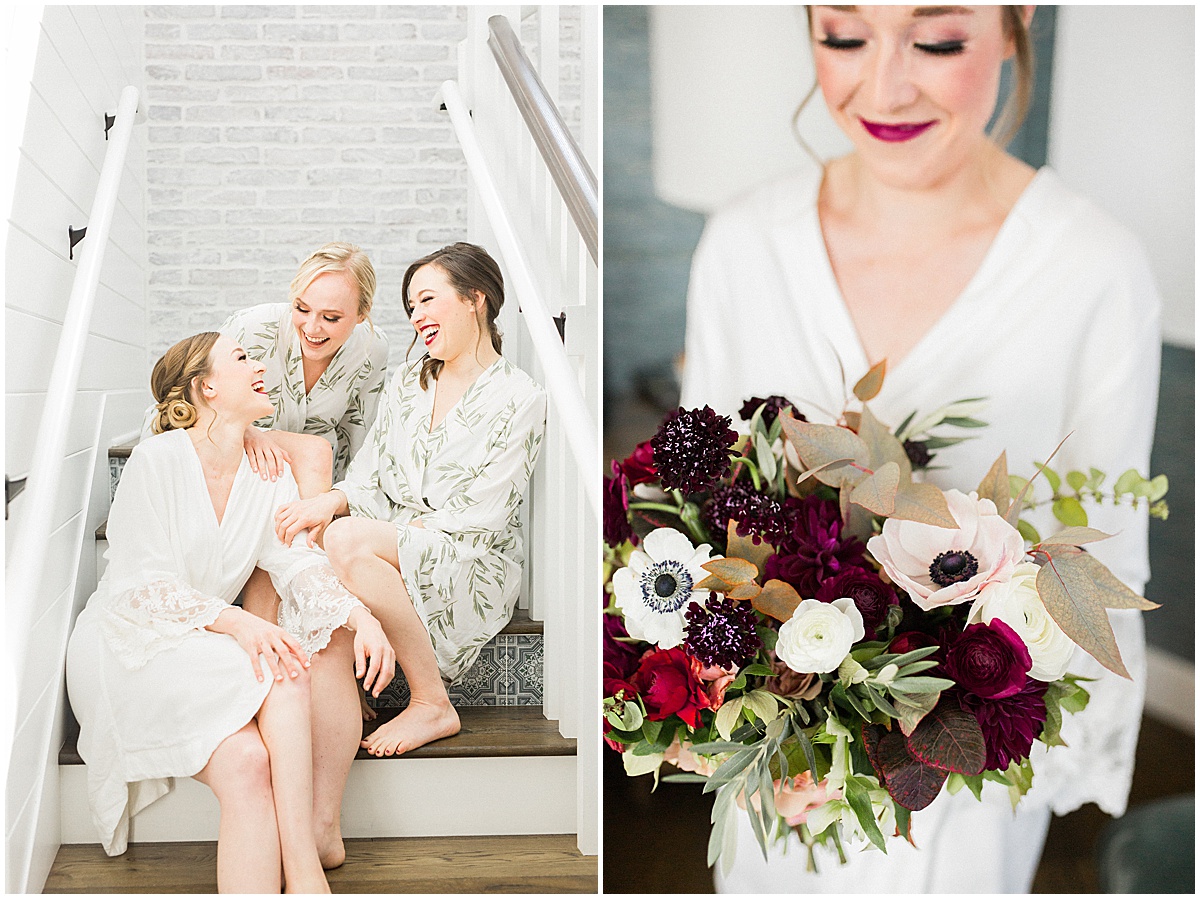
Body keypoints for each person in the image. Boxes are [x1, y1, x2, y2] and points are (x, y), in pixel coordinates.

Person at [679, 5, 1160, 892]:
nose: (886, 86)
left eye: (937, 41)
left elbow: (1108, 562)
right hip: (774, 778)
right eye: (844, 36)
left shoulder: (1095, 269)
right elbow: (708, 515)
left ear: (1016, 27)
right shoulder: (743, 246)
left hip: (965, 800)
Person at [67, 332, 396, 891]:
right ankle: (303, 866)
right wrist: (241, 621)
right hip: (127, 646)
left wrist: (361, 618)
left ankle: (295, 869)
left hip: (198, 645)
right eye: (242, 358)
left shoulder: (265, 471)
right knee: (285, 670)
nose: (260, 365)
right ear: (206, 386)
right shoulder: (156, 460)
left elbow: (296, 563)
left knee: (248, 763)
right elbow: (138, 585)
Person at [274, 242, 548, 758]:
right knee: (313, 538)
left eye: (426, 299)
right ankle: (339, 692)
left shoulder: (520, 398)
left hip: (470, 560)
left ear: (476, 299)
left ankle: (431, 701)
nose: (416, 315)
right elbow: (368, 474)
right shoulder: (407, 381)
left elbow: (483, 519)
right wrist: (330, 502)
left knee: (348, 539)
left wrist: (386, 534)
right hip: (396, 539)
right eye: (411, 306)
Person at [184, 242, 390, 628]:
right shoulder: (253, 327)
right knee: (308, 456)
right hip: (224, 445)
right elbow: (195, 393)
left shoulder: (372, 351)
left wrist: (337, 498)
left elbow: (361, 434)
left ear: (362, 314)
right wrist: (248, 431)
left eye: (331, 317)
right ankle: (286, 624)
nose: (312, 328)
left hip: (307, 473)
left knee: (305, 486)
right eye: (302, 309)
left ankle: (293, 628)